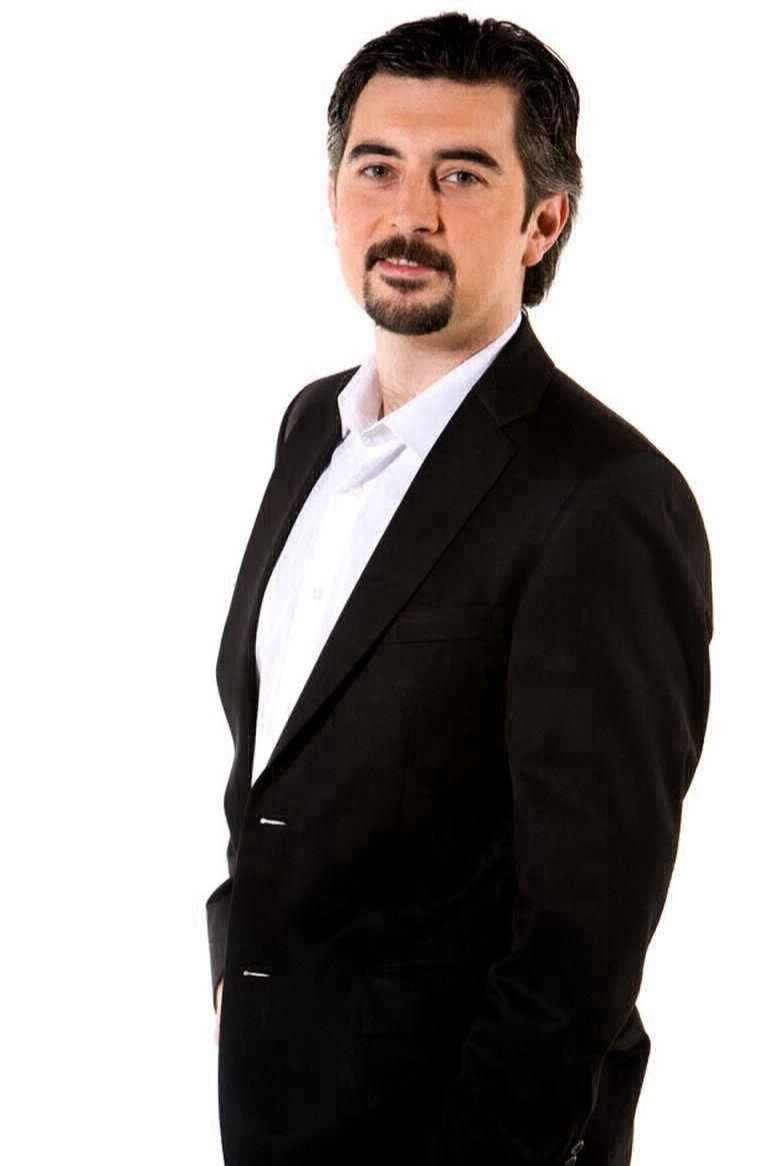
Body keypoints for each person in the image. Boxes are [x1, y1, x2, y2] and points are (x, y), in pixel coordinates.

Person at [205, 12, 713, 1166]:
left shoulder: (602, 499)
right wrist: (236, 957)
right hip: (281, 1103)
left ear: (543, 222)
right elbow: (274, 748)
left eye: (460, 175)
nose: (410, 214)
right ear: (333, 192)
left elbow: (580, 935)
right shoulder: (310, 428)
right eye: (376, 167)